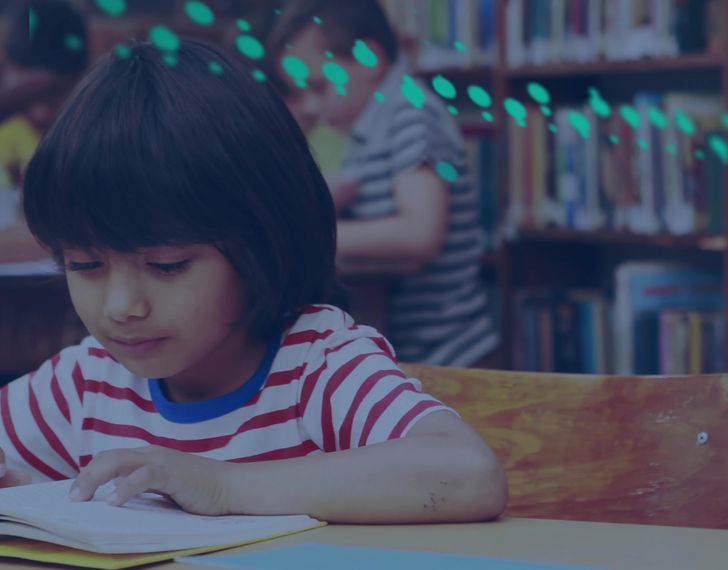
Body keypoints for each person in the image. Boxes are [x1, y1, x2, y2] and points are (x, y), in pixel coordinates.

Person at [0, 38, 507, 524]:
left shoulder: (316, 364)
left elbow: (469, 475)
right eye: (85, 266)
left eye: (168, 266)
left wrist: (223, 486)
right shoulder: (86, 383)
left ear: (260, 244)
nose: (122, 306)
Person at [268, 0, 499, 368]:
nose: (310, 106)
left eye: (319, 86)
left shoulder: (411, 114)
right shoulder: (368, 127)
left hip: (447, 356)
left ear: (368, 60)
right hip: (413, 352)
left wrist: (307, 237)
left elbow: (418, 234)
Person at [0, 0, 87, 264]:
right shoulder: (8, 133)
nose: (41, 113)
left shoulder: (89, 138)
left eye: (53, 97)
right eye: (29, 97)